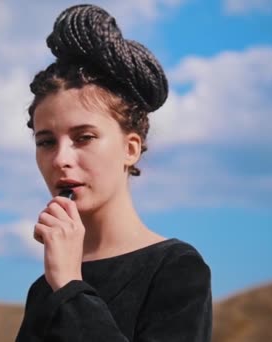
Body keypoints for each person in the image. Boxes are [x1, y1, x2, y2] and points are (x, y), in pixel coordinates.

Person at [16, 4, 212, 341]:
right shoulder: (44, 287)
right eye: (46, 141)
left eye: (84, 138)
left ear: (130, 148)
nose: (61, 158)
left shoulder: (177, 268)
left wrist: (70, 285)